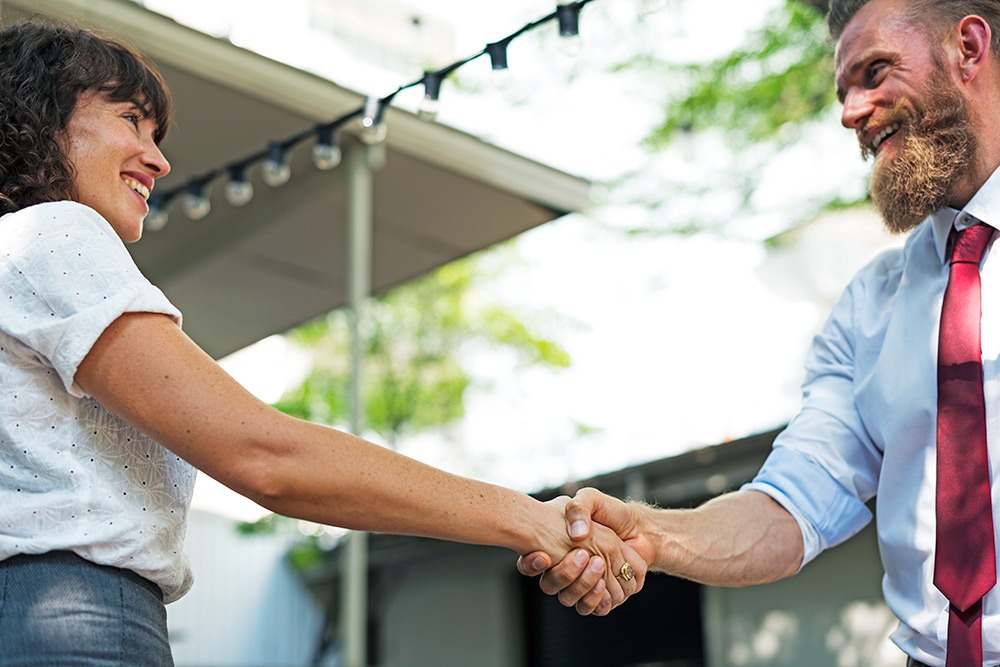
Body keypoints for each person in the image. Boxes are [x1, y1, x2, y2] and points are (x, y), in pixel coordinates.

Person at [0, 21, 642, 665]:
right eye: (130, 118)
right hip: (68, 623)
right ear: (37, 115)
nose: (159, 159)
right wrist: (530, 520)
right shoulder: (53, 235)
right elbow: (264, 454)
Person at [519, 1, 1000, 665]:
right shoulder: (869, 306)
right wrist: (651, 532)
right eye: (843, 91)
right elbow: (791, 506)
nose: (851, 112)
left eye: (875, 72)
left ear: (969, 47)